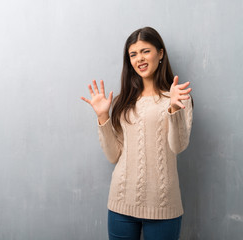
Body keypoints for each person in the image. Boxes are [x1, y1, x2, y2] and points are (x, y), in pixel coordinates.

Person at [81, 27, 193, 240]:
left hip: (163, 205)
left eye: (145, 51)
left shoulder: (178, 97)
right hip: (121, 203)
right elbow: (114, 156)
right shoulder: (123, 102)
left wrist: (174, 110)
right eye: (133, 54)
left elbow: (178, 146)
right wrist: (103, 116)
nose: (139, 58)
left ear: (160, 53)